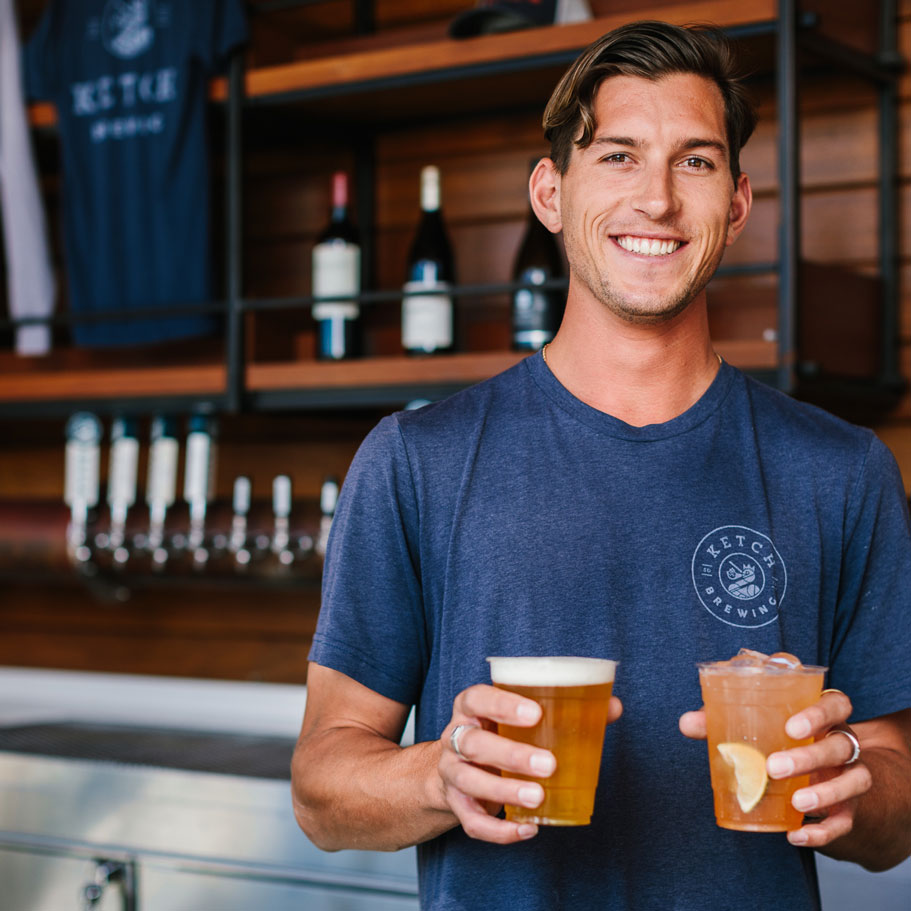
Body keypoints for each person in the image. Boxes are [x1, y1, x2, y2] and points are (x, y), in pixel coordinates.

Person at [291, 20, 911, 910]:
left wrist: (850, 776)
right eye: (617, 156)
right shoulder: (415, 461)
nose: (655, 200)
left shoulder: (842, 470)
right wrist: (440, 774)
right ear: (550, 192)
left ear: (736, 204)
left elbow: (896, 808)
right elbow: (321, 788)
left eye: (693, 161)